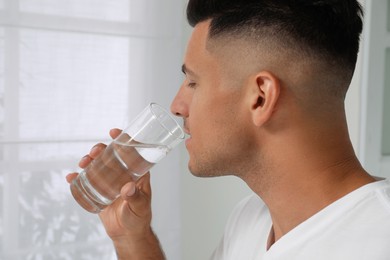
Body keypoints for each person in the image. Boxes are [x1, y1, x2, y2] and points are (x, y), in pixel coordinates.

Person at [67, 0, 390, 259]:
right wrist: (132, 237)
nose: (177, 106)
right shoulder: (250, 218)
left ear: (260, 97)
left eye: (193, 81)